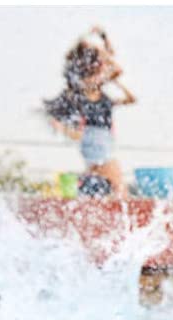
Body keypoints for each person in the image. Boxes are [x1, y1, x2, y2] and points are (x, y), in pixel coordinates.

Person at [45, 27, 136, 197]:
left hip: (99, 139)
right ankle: (119, 209)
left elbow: (115, 69)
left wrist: (103, 39)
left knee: (103, 179)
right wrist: (101, 42)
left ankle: (86, 194)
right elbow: (116, 68)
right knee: (117, 182)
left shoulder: (90, 88)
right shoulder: (86, 84)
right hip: (96, 139)